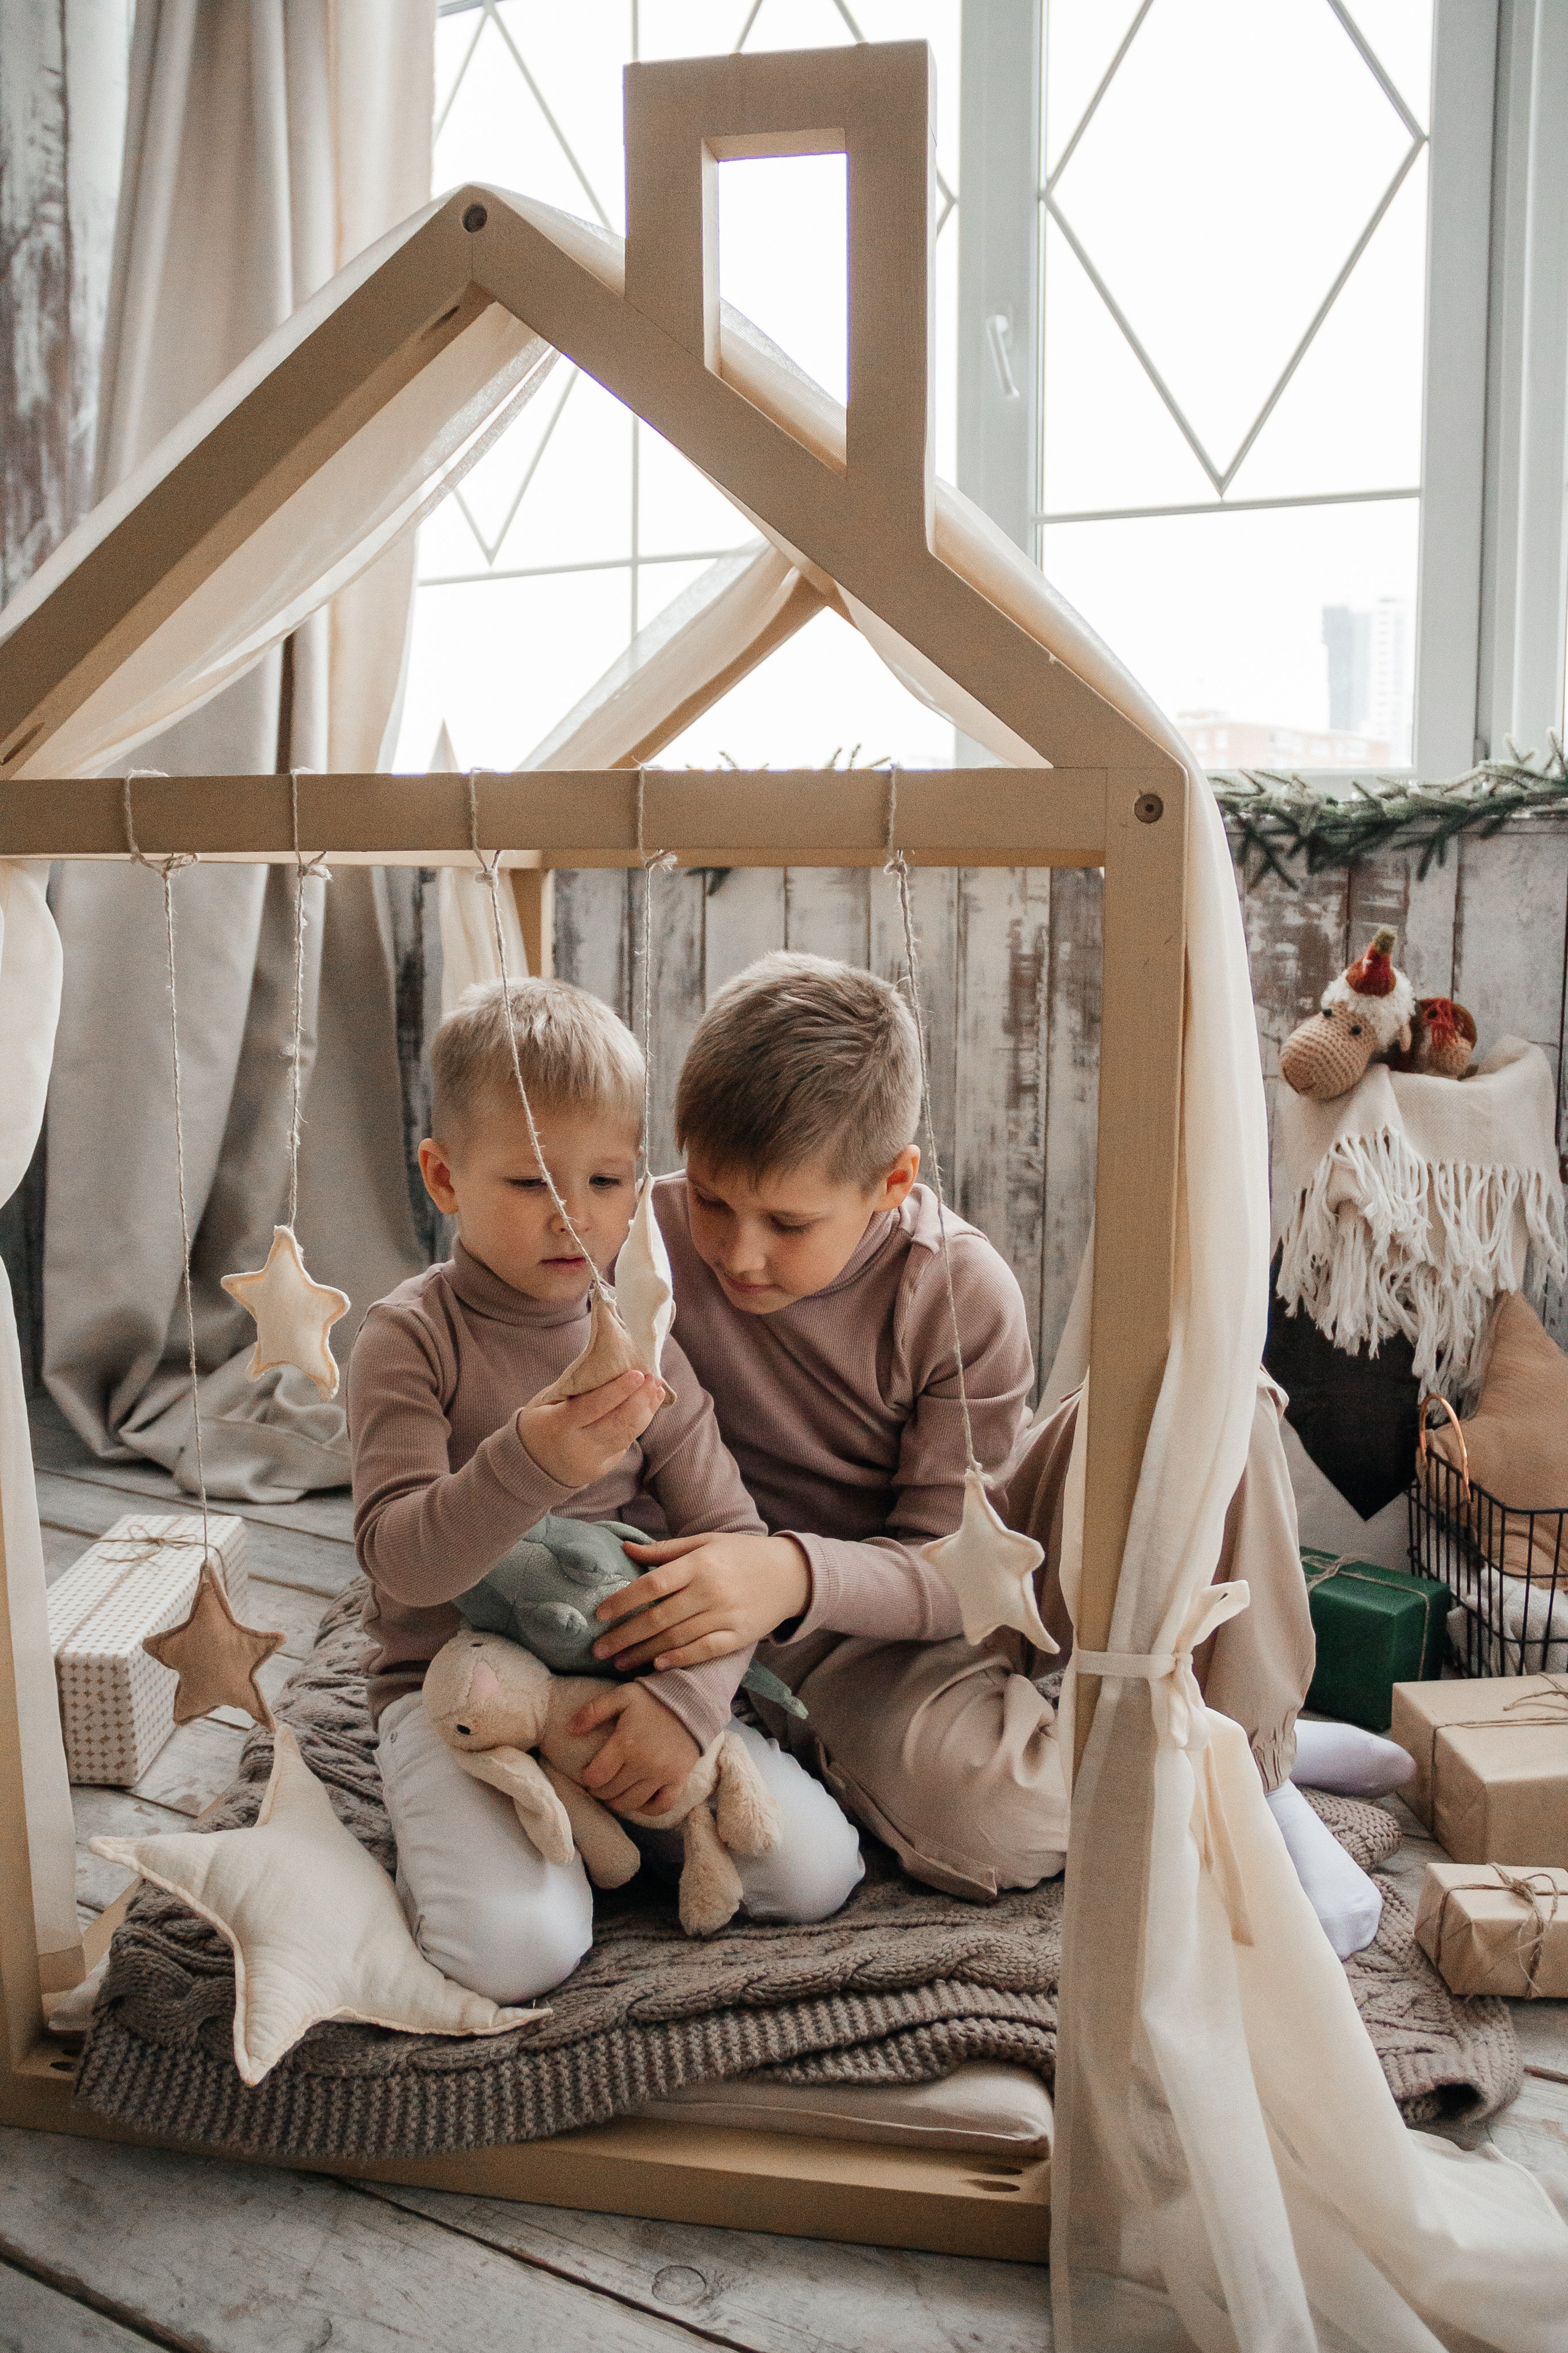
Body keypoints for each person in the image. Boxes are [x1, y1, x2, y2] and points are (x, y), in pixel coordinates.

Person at [587, 953, 1399, 1958]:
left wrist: (790, 1567)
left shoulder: (957, 1287)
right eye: (712, 1199)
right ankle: (1179, 1743)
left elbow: (960, 1567)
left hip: (957, 1572)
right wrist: (765, 1590)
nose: (738, 1251)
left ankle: (1259, 1772)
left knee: (1216, 1407)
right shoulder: (649, 1245)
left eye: (787, 1222)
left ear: (892, 1183)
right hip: (815, 1641)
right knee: (995, 1821)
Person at [349, 977, 863, 2004]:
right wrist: (530, 1460)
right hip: (468, 1699)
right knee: (520, 1952)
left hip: (625, 1679)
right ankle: (541, 1860)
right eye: (532, 1182)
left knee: (816, 1874)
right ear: (444, 1177)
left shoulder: (639, 1330)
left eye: (607, 1180)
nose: (575, 1218)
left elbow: (729, 1537)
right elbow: (403, 1561)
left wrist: (682, 1702)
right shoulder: (409, 1337)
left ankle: (607, 1832)